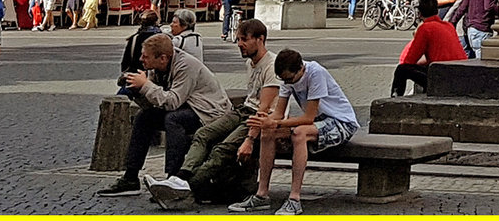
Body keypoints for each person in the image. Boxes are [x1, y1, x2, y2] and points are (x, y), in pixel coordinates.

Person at [95, 32, 232, 198]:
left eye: (145, 56)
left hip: (209, 113)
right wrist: (138, 91)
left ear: (163, 58)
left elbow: (172, 101)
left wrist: (145, 85)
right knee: (144, 117)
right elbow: (154, 103)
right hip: (187, 107)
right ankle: (130, 178)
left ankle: (173, 178)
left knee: (173, 120)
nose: (141, 59)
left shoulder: (186, 65)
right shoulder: (156, 68)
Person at [162, 18, 280, 206]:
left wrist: (249, 140)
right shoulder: (250, 63)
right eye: (238, 39)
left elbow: (264, 110)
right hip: (243, 110)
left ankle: (188, 187)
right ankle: (181, 177)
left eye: (244, 39)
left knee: (222, 149)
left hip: (259, 119)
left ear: (260, 39)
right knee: (203, 134)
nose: (239, 44)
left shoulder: (272, 65)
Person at [231, 49, 358, 215]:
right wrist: (264, 123)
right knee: (268, 132)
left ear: (301, 69)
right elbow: (278, 113)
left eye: (290, 79)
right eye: (284, 80)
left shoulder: (315, 73)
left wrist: (276, 122)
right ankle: (261, 195)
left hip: (341, 122)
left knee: (300, 133)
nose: (287, 83)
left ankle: (294, 198)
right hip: (319, 122)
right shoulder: (287, 79)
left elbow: (308, 118)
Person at [392, 0, 464, 95]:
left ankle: (395, 98)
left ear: (420, 14)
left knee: (401, 70)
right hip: (459, 71)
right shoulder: (449, 26)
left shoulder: (425, 29)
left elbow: (410, 58)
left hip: (440, 73)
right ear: (437, 11)